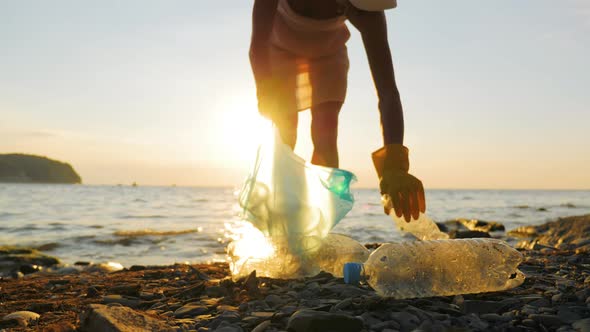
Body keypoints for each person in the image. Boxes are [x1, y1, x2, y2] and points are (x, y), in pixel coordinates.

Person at [249, 0, 425, 222]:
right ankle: (280, 212)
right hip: (278, 50)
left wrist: (394, 165)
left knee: (326, 131)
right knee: (286, 130)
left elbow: (387, 90)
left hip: (328, 56)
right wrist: (265, 90)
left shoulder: (367, 12)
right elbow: (258, 46)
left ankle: (320, 219)